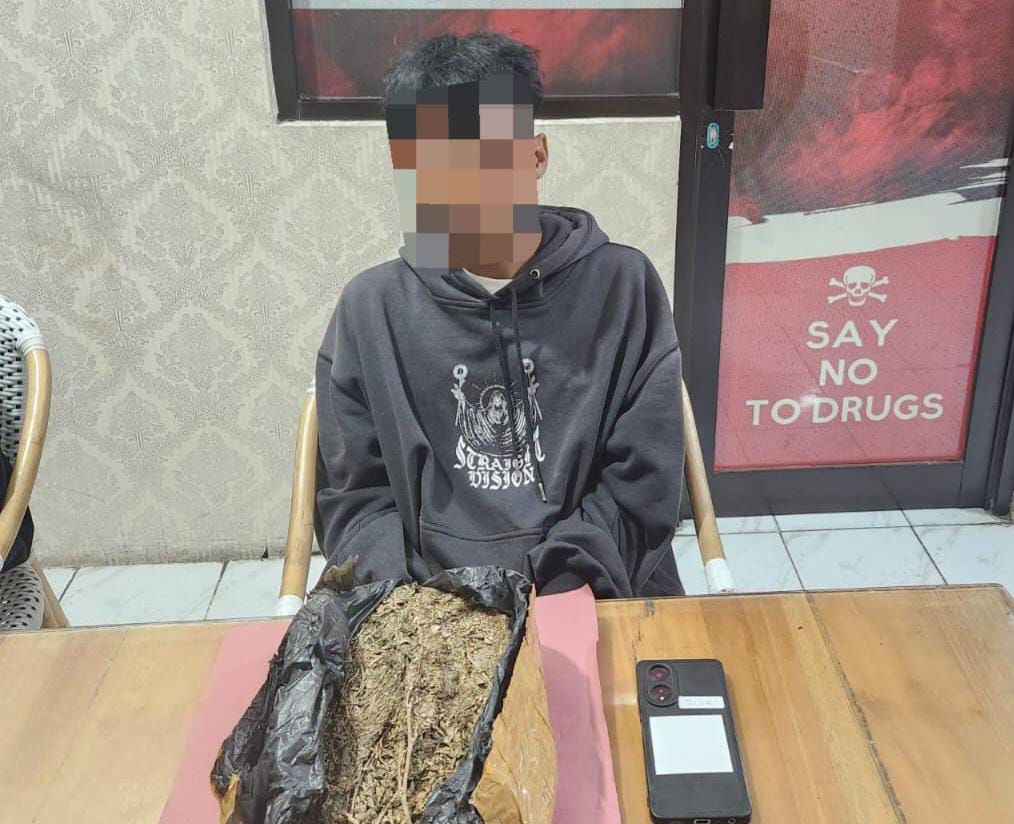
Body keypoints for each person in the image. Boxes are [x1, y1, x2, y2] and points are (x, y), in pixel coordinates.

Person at [314, 31, 685, 598]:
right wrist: (421, 613)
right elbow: (354, 498)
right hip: (426, 601)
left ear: (536, 156)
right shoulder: (371, 309)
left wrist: (568, 586)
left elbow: (643, 482)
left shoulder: (623, 288)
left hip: (595, 584)